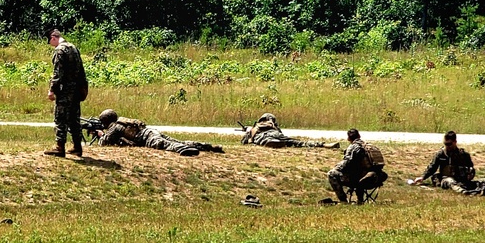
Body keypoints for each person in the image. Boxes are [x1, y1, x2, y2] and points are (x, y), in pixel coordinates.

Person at [96, 109, 224, 157]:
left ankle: (184, 149)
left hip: (148, 137)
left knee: (164, 145)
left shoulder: (115, 126)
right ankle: (206, 146)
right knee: (175, 141)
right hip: (151, 132)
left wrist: (100, 135)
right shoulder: (122, 122)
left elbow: (106, 142)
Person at [44, 29, 88, 158]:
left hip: (65, 90)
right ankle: (77, 147)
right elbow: (81, 70)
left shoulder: (60, 50)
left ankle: (59, 147)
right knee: (74, 119)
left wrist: (52, 90)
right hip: (76, 90)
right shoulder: (74, 48)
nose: (51, 44)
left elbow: (58, 73)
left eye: (50, 41)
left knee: (60, 118)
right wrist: (83, 88)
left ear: (53, 37)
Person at [326, 128, 387, 204]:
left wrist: (337, 167)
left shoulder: (353, 147)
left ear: (348, 138)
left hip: (361, 180)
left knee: (331, 174)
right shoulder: (369, 146)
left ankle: (343, 201)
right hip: (377, 178)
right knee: (359, 172)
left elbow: (347, 163)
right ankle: (360, 200)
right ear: (359, 135)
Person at [410, 131, 478, 194]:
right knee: (450, 181)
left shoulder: (463, 155)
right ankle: (462, 191)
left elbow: (471, 168)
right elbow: (432, 167)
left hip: (460, 179)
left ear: (455, 142)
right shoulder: (441, 154)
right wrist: (423, 177)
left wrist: (470, 174)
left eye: (449, 144)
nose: (447, 146)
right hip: (445, 179)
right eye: (445, 144)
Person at [241, 113, 338, 149]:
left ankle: (270, 142)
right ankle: (322, 144)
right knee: (297, 142)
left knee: (263, 139)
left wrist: (248, 131)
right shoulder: (272, 125)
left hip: (264, 136)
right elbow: (280, 133)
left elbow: (244, 141)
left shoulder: (255, 128)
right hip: (276, 134)